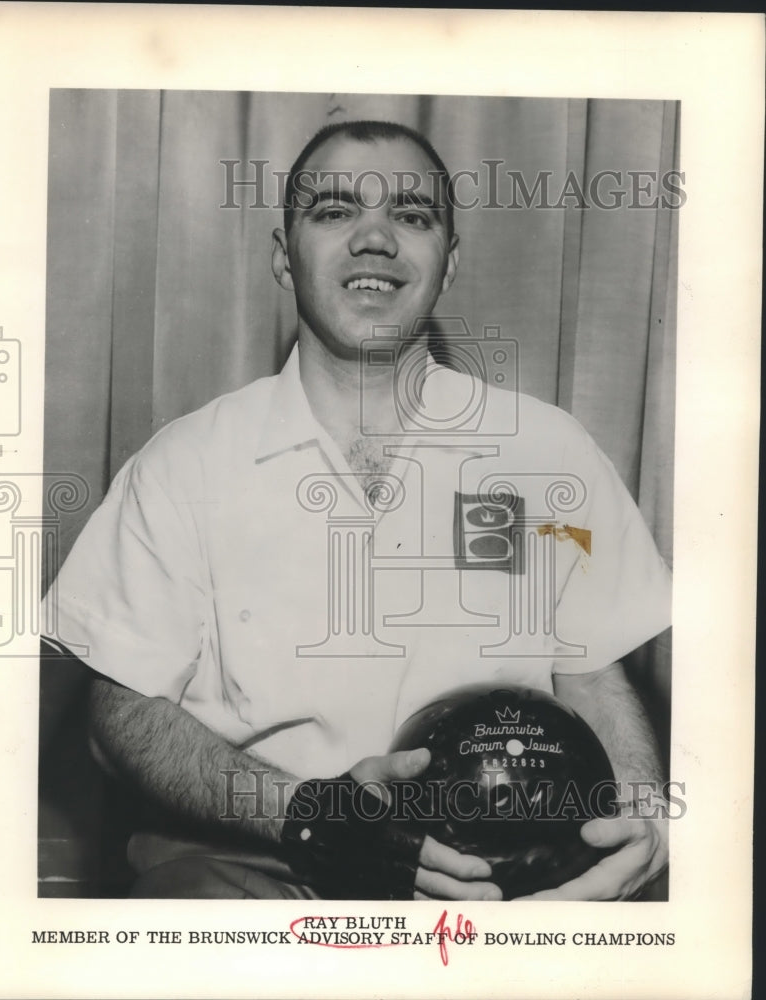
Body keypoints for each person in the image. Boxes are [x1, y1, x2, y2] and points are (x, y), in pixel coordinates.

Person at [45, 119, 672, 901]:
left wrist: (643, 816)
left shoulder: (547, 451)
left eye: (411, 217)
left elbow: (592, 676)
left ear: (448, 264)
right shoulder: (184, 464)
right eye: (335, 211)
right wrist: (313, 817)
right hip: (262, 860)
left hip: (509, 874)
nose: (374, 237)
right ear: (283, 258)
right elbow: (124, 715)